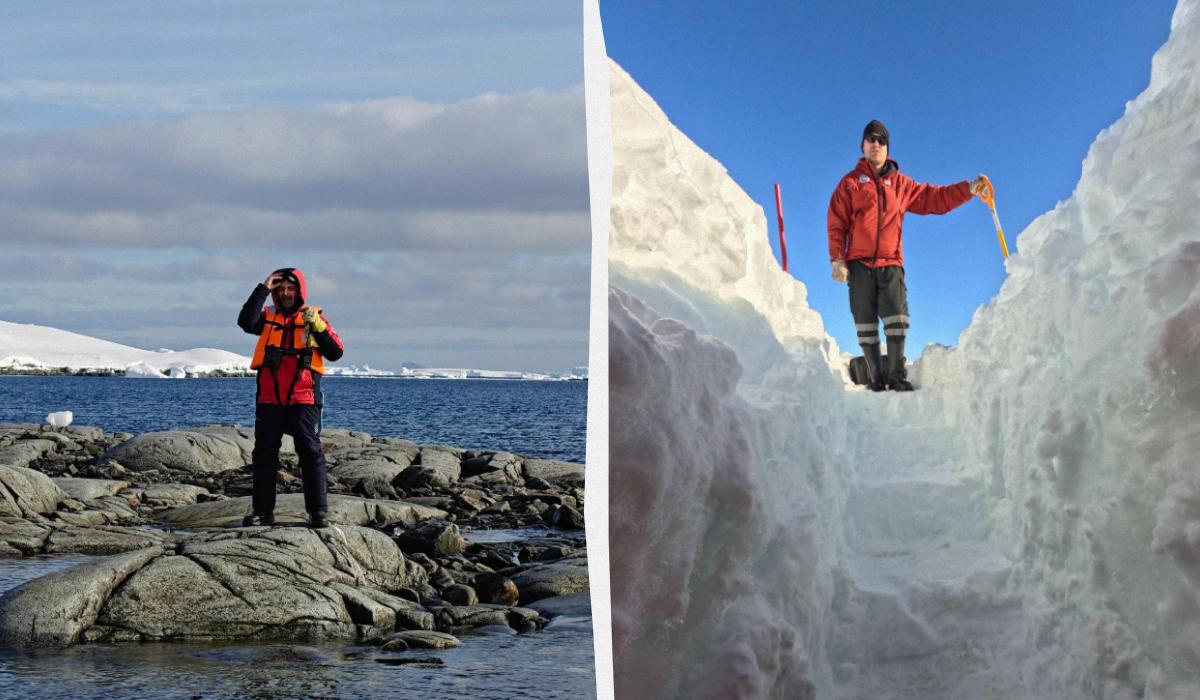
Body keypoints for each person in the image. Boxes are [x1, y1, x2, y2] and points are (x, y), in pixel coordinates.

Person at [827, 119, 985, 391]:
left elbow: (935, 198)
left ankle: (896, 376)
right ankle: (876, 377)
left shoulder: (901, 185)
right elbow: (836, 221)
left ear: (887, 149)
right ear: (862, 145)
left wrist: (968, 189)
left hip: (891, 264)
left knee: (897, 319)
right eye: (870, 139)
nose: (876, 144)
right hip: (859, 265)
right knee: (864, 322)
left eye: (881, 141)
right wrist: (837, 259)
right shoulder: (850, 183)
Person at [237, 267, 343, 527]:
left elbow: (336, 352)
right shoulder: (267, 317)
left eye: (291, 288)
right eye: (280, 288)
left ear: (300, 291)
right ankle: (263, 512)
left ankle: (318, 512)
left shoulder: (313, 319)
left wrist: (317, 327)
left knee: (309, 452)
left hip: (303, 397)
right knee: (264, 454)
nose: (285, 293)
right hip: (270, 398)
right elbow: (245, 321)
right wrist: (263, 288)